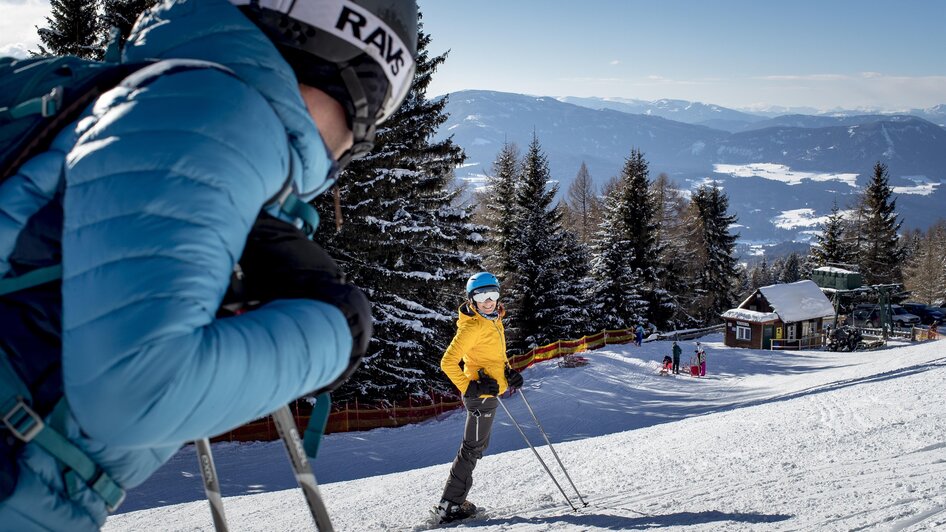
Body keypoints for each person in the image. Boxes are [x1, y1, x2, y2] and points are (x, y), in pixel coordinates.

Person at [0, 0, 418, 530]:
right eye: (374, 114)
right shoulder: (220, 107)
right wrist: (338, 327)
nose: (352, 149)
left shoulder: (157, 98)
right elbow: (134, 393)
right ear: (351, 74)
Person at [436, 272, 522, 524]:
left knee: (477, 446)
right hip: (479, 397)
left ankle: (453, 500)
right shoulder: (473, 326)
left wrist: (507, 372)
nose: (488, 301)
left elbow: (492, 357)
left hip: (489, 393)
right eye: (481, 296)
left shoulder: (494, 320)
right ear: (472, 299)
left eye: (493, 294)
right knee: (471, 448)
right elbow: (447, 362)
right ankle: (451, 504)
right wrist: (470, 387)